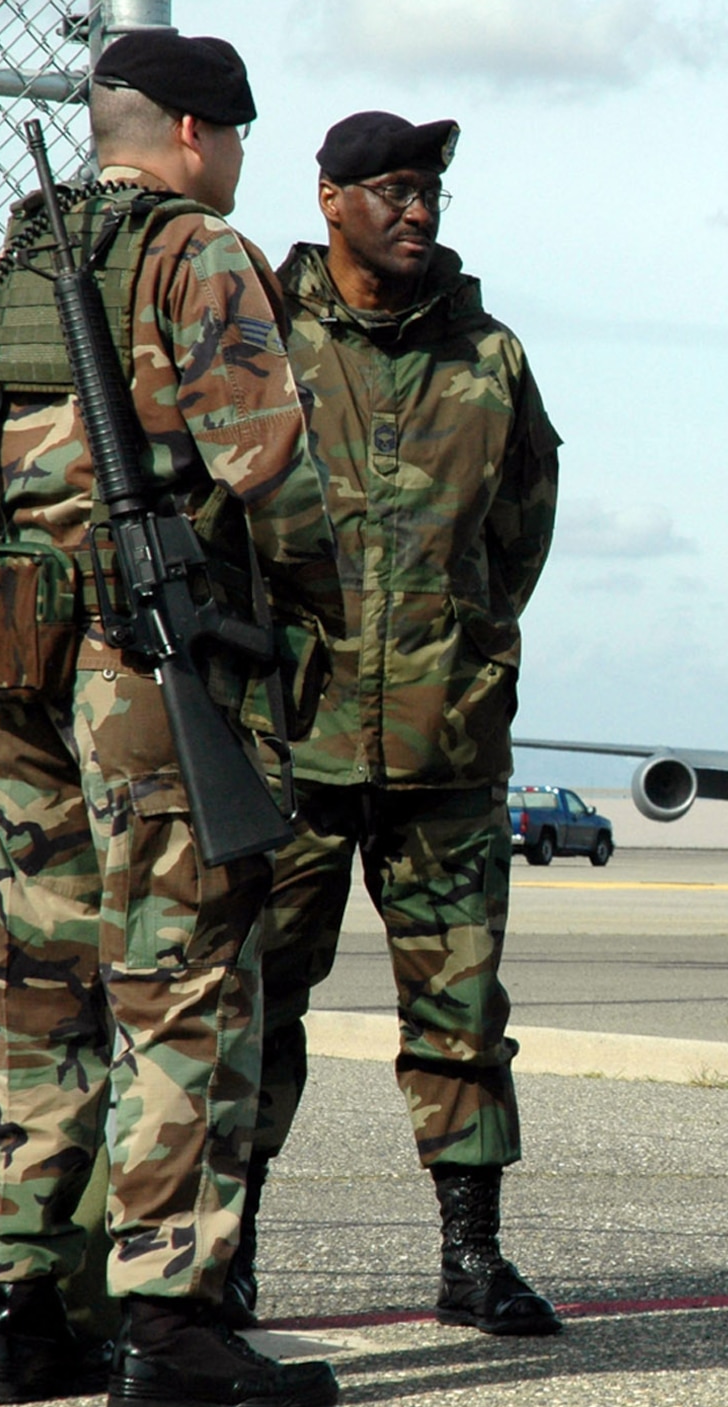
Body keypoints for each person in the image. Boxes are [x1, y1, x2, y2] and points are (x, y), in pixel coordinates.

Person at [0, 30, 344, 1407]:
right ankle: (168, 1322)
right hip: (139, 666)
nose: (234, 163)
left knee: (44, 987)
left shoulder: (28, 260)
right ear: (188, 132)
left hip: (13, 661)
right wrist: (312, 606)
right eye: (229, 137)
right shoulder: (195, 249)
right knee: (183, 984)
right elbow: (266, 467)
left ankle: (17, 1309)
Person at [224, 111, 560, 1337]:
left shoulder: (490, 356)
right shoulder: (258, 335)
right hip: (287, 739)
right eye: (390, 190)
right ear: (328, 199)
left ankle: (471, 1257)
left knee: (462, 1011)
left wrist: (458, 649)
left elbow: (518, 531)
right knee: (257, 1001)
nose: (416, 210)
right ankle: (229, 1253)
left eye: (427, 192)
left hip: (444, 743)